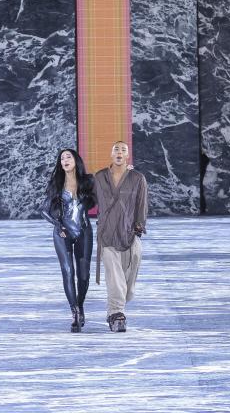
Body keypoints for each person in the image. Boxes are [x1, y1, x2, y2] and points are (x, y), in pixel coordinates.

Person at [94, 141, 148, 333]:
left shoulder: (137, 178)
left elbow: (141, 204)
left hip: (129, 233)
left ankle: (116, 306)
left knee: (128, 285)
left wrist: (139, 227)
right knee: (114, 275)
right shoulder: (99, 177)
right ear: (111, 154)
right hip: (107, 234)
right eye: (116, 149)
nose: (119, 152)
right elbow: (88, 197)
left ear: (127, 156)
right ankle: (117, 314)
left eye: (123, 150)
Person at [41, 149, 95, 332]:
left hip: (84, 231)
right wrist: (58, 225)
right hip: (62, 233)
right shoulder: (56, 183)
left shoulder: (88, 181)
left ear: (75, 160)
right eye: (62, 158)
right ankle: (74, 313)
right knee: (67, 271)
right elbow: (44, 210)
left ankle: (80, 306)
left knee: (84, 275)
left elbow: (98, 199)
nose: (65, 160)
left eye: (68, 156)